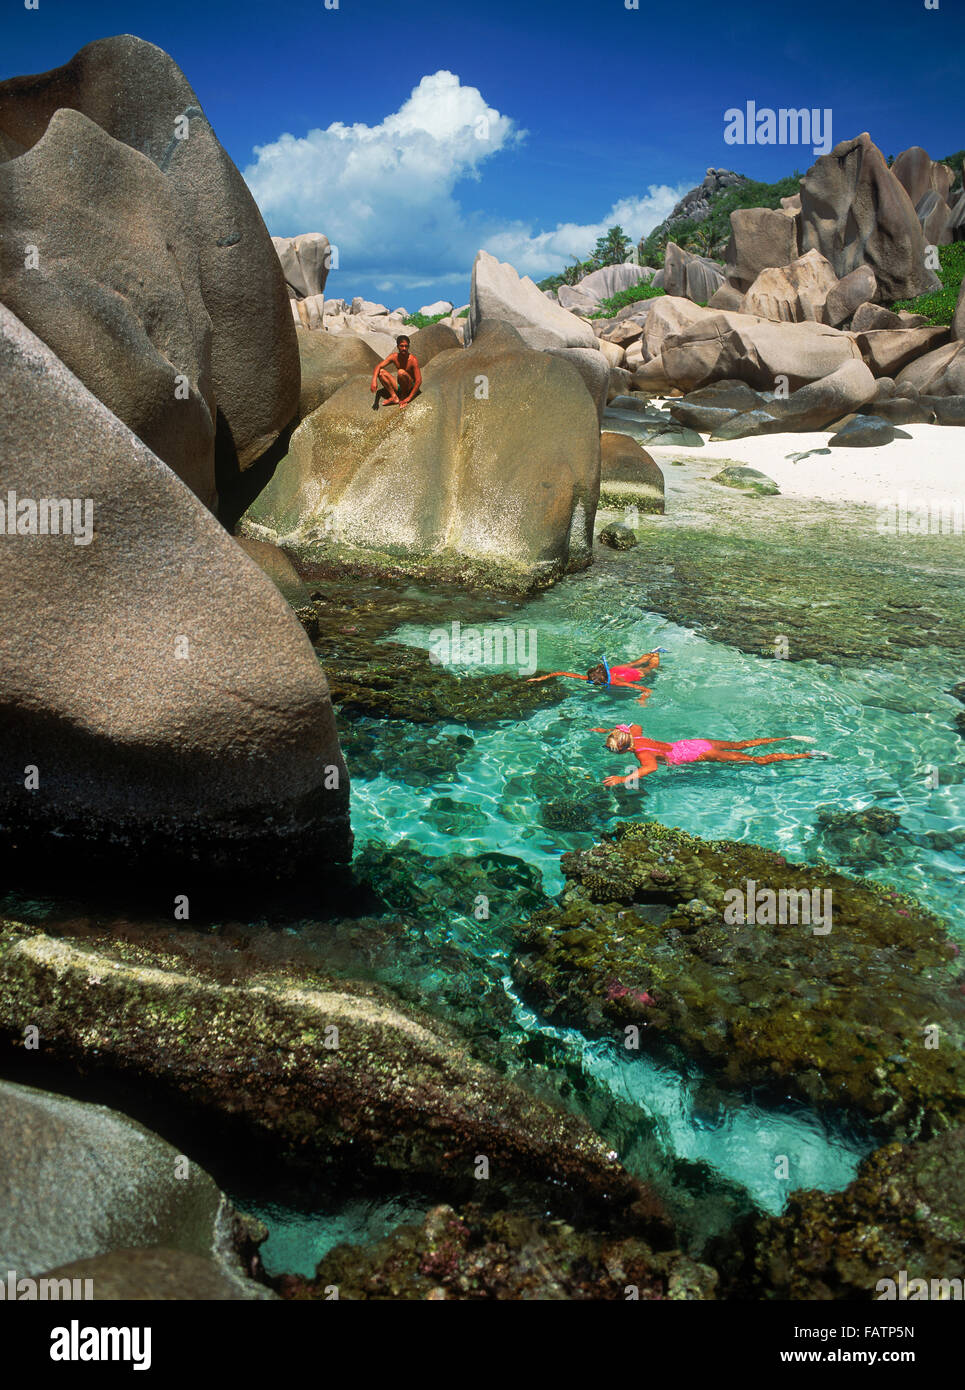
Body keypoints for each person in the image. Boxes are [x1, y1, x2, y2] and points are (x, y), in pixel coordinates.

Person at [593, 723, 827, 787]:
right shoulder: (635, 735)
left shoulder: (642, 753)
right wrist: (609, 732)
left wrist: (623, 779)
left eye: (612, 748)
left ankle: (808, 755)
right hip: (694, 743)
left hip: (696, 756)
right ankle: (789, 738)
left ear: (624, 748)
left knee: (757, 761)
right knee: (741, 744)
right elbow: (633, 725)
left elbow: (651, 768)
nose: (611, 751)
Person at [526, 650, 666, 705]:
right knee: (635, 663)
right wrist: (541, 678)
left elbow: (645, 689)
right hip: (617, 670)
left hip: (632, 675)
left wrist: (642, 699)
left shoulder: (617, 683)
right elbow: (562, 673)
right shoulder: (602, 675)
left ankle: (656, 655)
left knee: (648, 668)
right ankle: (652, 653)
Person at [371, 335, 423, 410]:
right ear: (398, 346)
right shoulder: (394, 357)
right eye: (401, 346)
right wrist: (374, 380)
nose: (404, 348)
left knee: (401, 372)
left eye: (406, 346)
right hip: (400, 385)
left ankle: (404, 395)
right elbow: (378, 366)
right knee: (381, 372)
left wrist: (409, 398)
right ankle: (394, 397)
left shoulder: (413, 360)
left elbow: (419, 381)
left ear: (409, 346)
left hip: (410, 386)